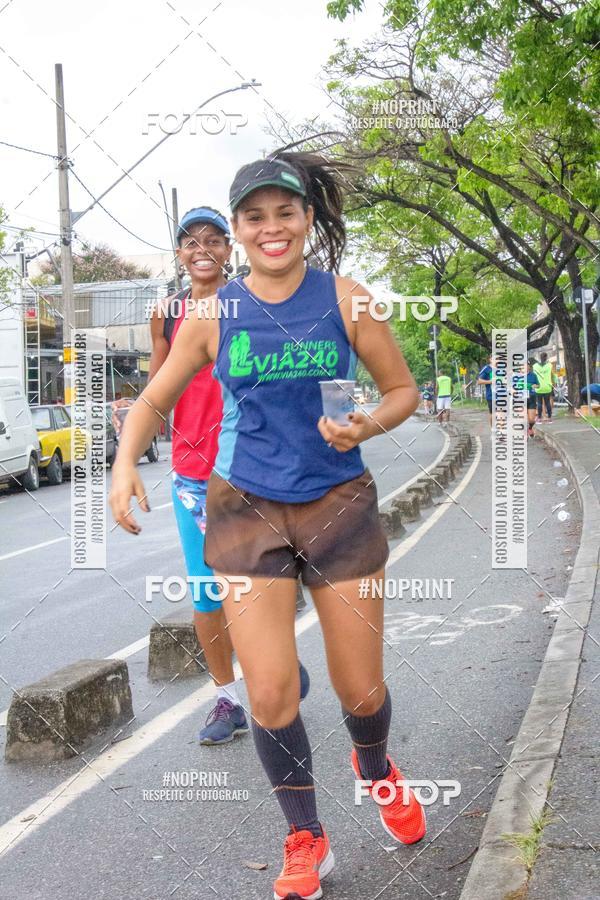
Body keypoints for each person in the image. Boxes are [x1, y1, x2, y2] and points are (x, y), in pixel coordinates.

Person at [109, 151, 426, 900]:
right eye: (256, 216)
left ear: (308, 221)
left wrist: (366, 426)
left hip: (339, 504)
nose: (272, 227)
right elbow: (155, 399)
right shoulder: (212, 314)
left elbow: (403, 390)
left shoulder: (349, 299)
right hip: (245, 506)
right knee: (272, 693)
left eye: (286, 212)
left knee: (359, 691)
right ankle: (304, 837)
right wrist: (124, 464)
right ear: (240, 230)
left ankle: (375, 768)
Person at [114, 205, 310, 745]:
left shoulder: (255, 303)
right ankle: (227, 699)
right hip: (192, 477)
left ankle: (275, 671)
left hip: (256, 472)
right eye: (189, 241)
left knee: (262, 587)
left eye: (212, 239)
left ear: (230, 247)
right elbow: (157, 393)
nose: (201, 249)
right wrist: (126, 449)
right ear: (178, 252)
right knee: (206, 596)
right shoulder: (167, 314)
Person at [513, 359, 539, 438]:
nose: (525, 367)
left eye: (527, 365)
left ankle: (530, 428)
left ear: (529, 367)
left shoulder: (533, 375)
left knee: (531, 419)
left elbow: (538, 385)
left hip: (531, 397)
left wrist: (535, 386)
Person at [533, 351, 554, 422]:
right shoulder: (549, 365)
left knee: (539, 403)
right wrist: (554, 382)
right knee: (547, 402)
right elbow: (552, 375)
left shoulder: (535, 366)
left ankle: (539, 418)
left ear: (540, 358)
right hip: (547, 387)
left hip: (539, 387)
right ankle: (550, 418)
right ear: (546, 358)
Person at [477, 355, 495, 426]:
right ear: (490, 359)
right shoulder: (487, 368)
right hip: (491, 395)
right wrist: (490, 381)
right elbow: (479, 381)